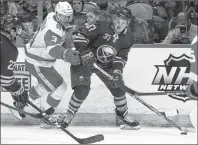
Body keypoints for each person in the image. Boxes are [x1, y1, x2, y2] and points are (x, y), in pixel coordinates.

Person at [59, 7, 140, 130]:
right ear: (113, 19)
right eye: (117, 20)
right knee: (82, 91)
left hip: (106, 64)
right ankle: (68, 115)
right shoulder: (100, 26)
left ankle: (122, 115)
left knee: (118, 87)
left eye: (123, 21)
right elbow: (78, 36)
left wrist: (117, 72)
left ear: (128, 22)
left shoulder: (128, 38)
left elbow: (121, 58)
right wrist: (85, 52)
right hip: (84, 60)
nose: (120, 24)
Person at [24, 1, 80, 128]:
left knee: (50, 86)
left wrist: (68, 37)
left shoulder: (51, 15)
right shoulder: (53, 30)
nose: (68, 19)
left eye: (69, 16)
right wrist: (66, 55)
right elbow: (52, 49)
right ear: (58, 15)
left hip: (40, 60)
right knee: (60, 88)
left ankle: (24, 101)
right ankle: (45, 117)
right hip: (37, 62)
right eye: (65, 16)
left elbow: (60, 38)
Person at [0, 1, 29, 120]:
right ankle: (17, 106)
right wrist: (18, 90)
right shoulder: (10, 49)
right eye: (17, 29)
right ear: (11, 30)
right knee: (20, 91)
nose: (19, 33)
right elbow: (6, 80)